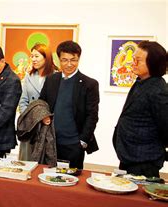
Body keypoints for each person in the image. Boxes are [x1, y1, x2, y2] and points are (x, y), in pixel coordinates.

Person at [39, 41, 100, 169]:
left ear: (79, 59)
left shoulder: (89, 84)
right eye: (64, 60)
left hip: (74, 144)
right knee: (48, 180)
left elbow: (92, 115)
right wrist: (43, 116)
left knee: (71, 181)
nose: (69, 64)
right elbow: (41, 103)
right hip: (51, 142)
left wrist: (82, 142)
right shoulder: (51, 80)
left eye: (73, 60)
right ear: (59, 59)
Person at [113, 41, 168, 177]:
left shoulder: (158, 90)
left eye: (138, 61)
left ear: (153, 63)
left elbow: (166, 127)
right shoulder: (141, 81)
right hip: (129, 155)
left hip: (144, 159)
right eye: (133, 59)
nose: (133, 63)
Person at [18, 43, 58, 160]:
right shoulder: (28, 76)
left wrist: (44, 118)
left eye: (37, 56)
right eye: (32, 56)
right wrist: (30, 118)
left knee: (44, 159)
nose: (33, 59)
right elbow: (23, 101)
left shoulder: (56, 76)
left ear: (46, 57)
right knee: (27, 159)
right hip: (30, 125)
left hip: (47, 124)